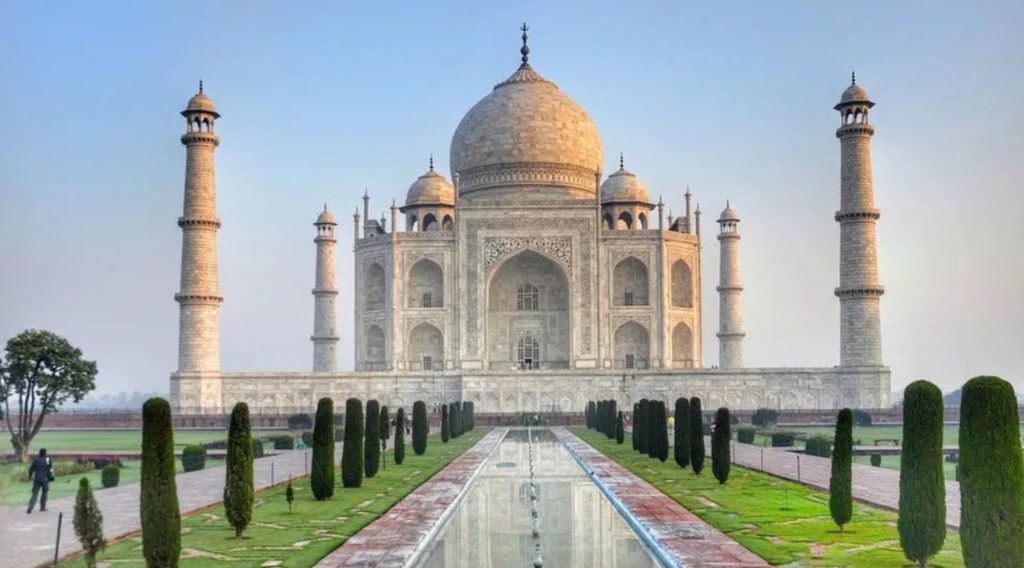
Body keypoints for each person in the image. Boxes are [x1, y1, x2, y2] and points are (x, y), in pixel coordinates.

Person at [26, 448, 53, 514]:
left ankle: (30, 507)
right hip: (45, 479)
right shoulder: (47, 460)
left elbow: (31, 469)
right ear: (45, 453)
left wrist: (29, 476)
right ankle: (42, 507)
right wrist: (51, 476)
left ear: (39, 453)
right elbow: (50, 469)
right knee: (44, 493)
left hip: (37, 479)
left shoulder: (36, 460)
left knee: (34, 494)